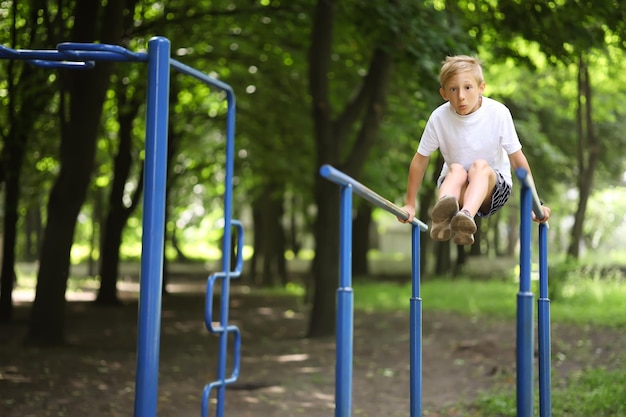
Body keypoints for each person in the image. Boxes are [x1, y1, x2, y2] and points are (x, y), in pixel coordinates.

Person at [398, 55, 551, 245]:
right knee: (455, 170)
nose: (460, 96)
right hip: (457, 189)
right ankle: (444, 218)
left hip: (493, 189)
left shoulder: (497, 113)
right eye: (453, 89)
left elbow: (517, 160)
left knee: (479, 166)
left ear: (481, 88)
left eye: (467, 88)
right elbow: (420, 160)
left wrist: (536, 203)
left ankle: (465, 217)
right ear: (444, 93)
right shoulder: (439, 118)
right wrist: (410, 204)